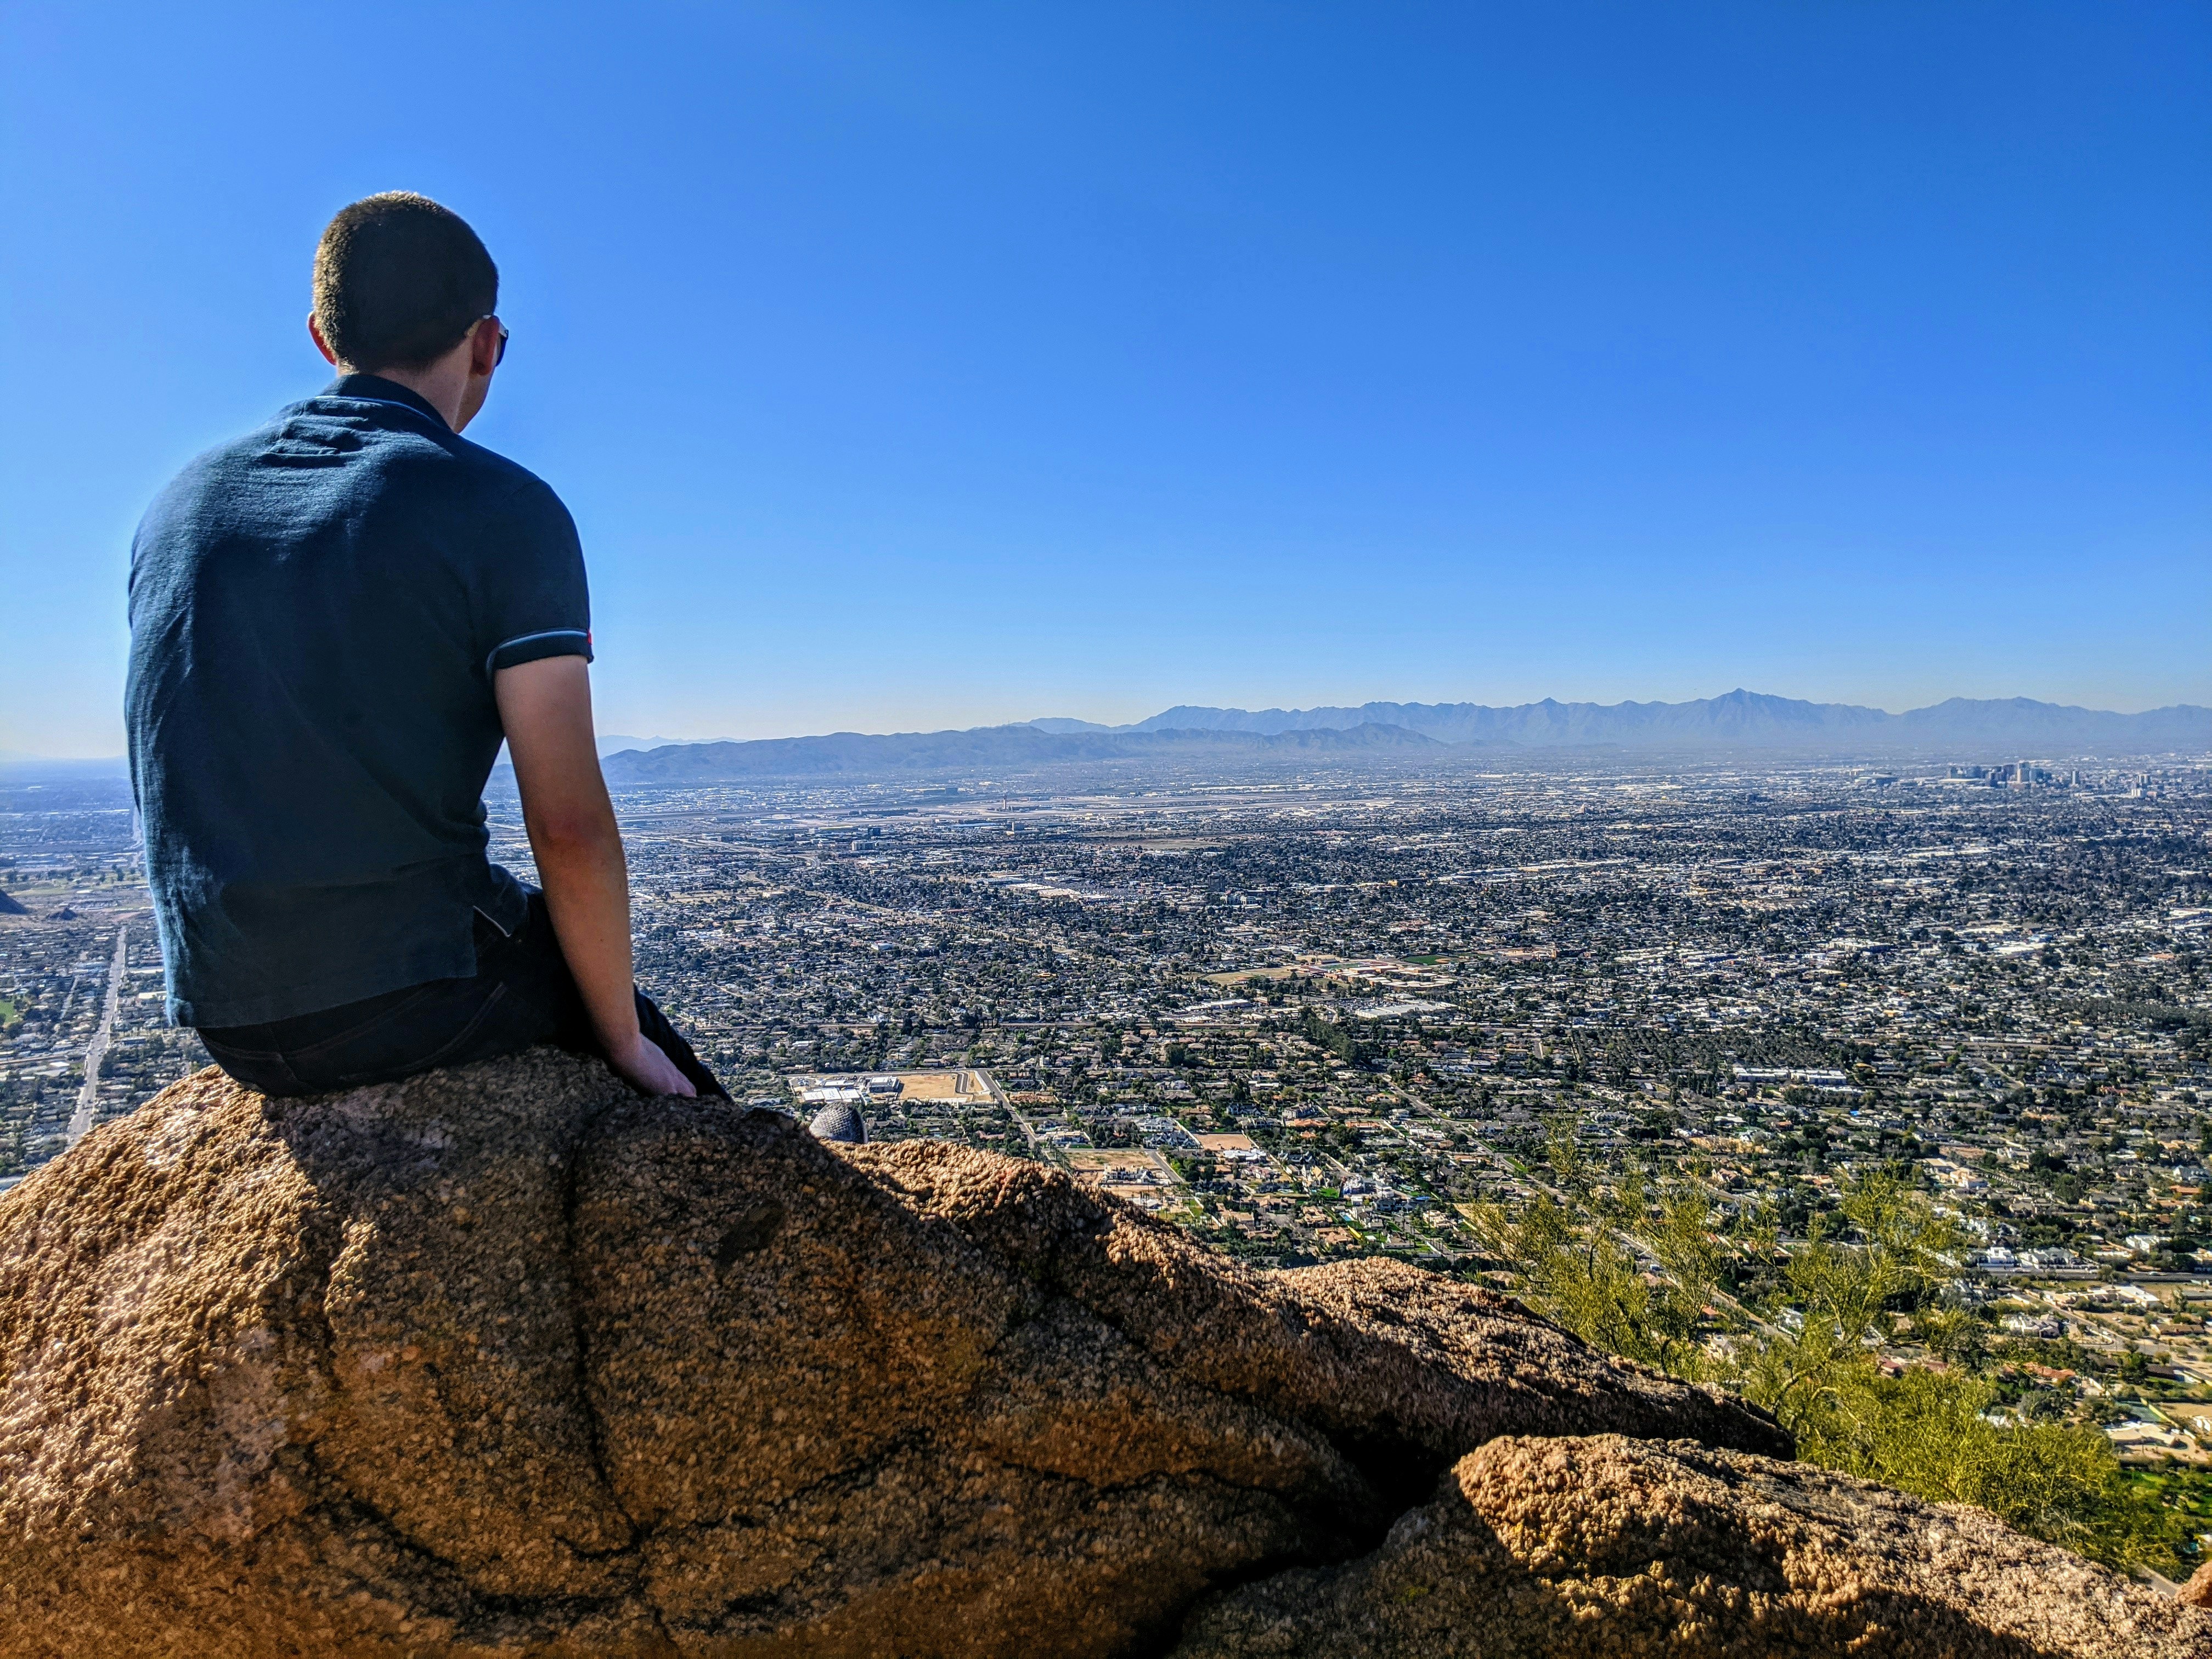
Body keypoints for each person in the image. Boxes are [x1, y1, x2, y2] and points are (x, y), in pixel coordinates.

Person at [126, 191, 720, 1101]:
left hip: (226, 1016)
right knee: (691, 1104)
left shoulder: (181, 505)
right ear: (488, 344)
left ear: (325, 337)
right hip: (410, 996)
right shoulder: (501, 509)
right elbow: (566, 825)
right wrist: (623, 1041)